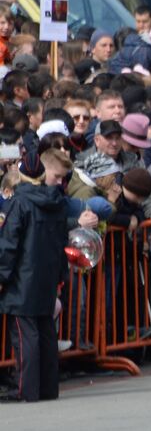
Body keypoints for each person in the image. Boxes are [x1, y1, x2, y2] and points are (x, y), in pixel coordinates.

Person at [0, 154, 70, 401]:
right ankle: (48, 388)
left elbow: (9, 245)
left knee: (25, 334)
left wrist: (2, 275)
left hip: (23, 278)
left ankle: (25, 389)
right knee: (46, 330)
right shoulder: (57, 201)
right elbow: (62, 243)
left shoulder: (19, 203)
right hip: (46, 275)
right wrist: (61, 275)